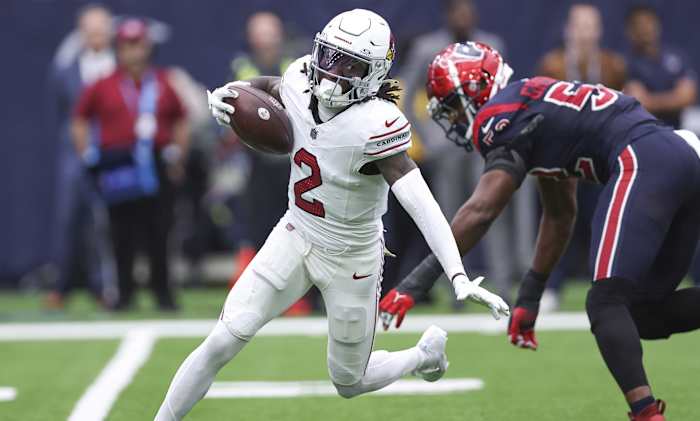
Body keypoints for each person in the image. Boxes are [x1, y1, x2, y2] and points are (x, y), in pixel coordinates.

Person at [154, 10, 509, 420]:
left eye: (348, 65)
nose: (329, 74)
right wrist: (230, 92)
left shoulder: (376, 125)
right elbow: (271, 87)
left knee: (349, 382)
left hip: (352, 258)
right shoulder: (303, 77)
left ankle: (421, 356)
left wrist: (457, 274)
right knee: (222, 340)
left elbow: (421, 202)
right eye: (328, 56)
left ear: (374, 74)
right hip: (295, 233)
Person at [379, 41, 700, 420]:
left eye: (450, 105)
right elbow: (561, 213)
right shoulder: (534, 104)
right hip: (681, 157)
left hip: (643, 160)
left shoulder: (502, 115)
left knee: (605, 302)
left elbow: (483, 208)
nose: (452, 118)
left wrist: (415, 283)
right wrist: (529, 298)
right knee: (642, 314)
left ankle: (646, 414)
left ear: (475, 90)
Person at [399, 0, 527, 301]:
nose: (462, 16)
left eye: (467, 10)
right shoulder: (427, 48)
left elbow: (505, 93)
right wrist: (430, 140)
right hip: (448, 148)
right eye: (457, 11)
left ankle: (503, 283)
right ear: (447, 15)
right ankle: (452, 285)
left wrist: (498, 132)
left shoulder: (490, 46)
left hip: (484, 146)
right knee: (448, 218)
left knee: (490, 211)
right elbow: (407, 97)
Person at [73, 18, 189, 311]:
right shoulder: (104, 84)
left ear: (148, 47)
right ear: (119, 48)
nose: (135, 52)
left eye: (139, 45)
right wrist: (87, 155)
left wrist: (178, 153)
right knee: (120, 232)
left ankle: (163, 293)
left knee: (159, 230)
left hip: (154, 162)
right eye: (128, 45)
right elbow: (79, 119)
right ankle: (123, 294)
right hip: (119, 164)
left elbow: (181, 118)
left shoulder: (162, 82)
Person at [535, 3, 627, 311]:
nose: (585, 32)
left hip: (601, 160)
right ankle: (552, 286)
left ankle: (608, 285)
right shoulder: (552, 64)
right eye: (580, 26)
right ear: (568, 30)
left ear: (599, 30)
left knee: (604, 221)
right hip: (564, 160)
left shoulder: (613, 65)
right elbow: (543, 111)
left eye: (591, 26)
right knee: (559, 220)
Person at [46, 3, 118, 309]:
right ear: (81, 32)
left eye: (101, 28)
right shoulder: (65, 70)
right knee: (67, 218)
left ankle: (104, 287)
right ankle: (60, 285)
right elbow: (64, 112)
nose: (96, 35)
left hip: (112, 152)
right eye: (90, 29)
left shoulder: (119, 68)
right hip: (74, 154)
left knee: (106, 222)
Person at [624, 5, 700, 287]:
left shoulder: (674, 57)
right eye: (639, 26)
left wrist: (656, 100)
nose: (646, 31)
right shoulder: (626, 64)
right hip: (648, 152)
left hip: (682, 147)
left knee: (689, 215)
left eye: (649, 24)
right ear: (630, 32)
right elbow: (637, 101)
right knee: (651, 218)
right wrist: (671, 98)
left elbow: (687, 95)